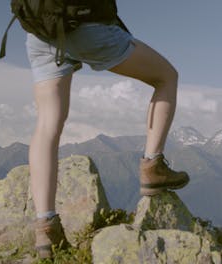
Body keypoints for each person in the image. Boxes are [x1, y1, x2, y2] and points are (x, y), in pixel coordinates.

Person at [26, 7, 190, 260]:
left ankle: (46, 226)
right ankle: (152, 166)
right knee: (166, 76)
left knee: (47, 123)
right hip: (85, 27)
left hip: (40, 30)